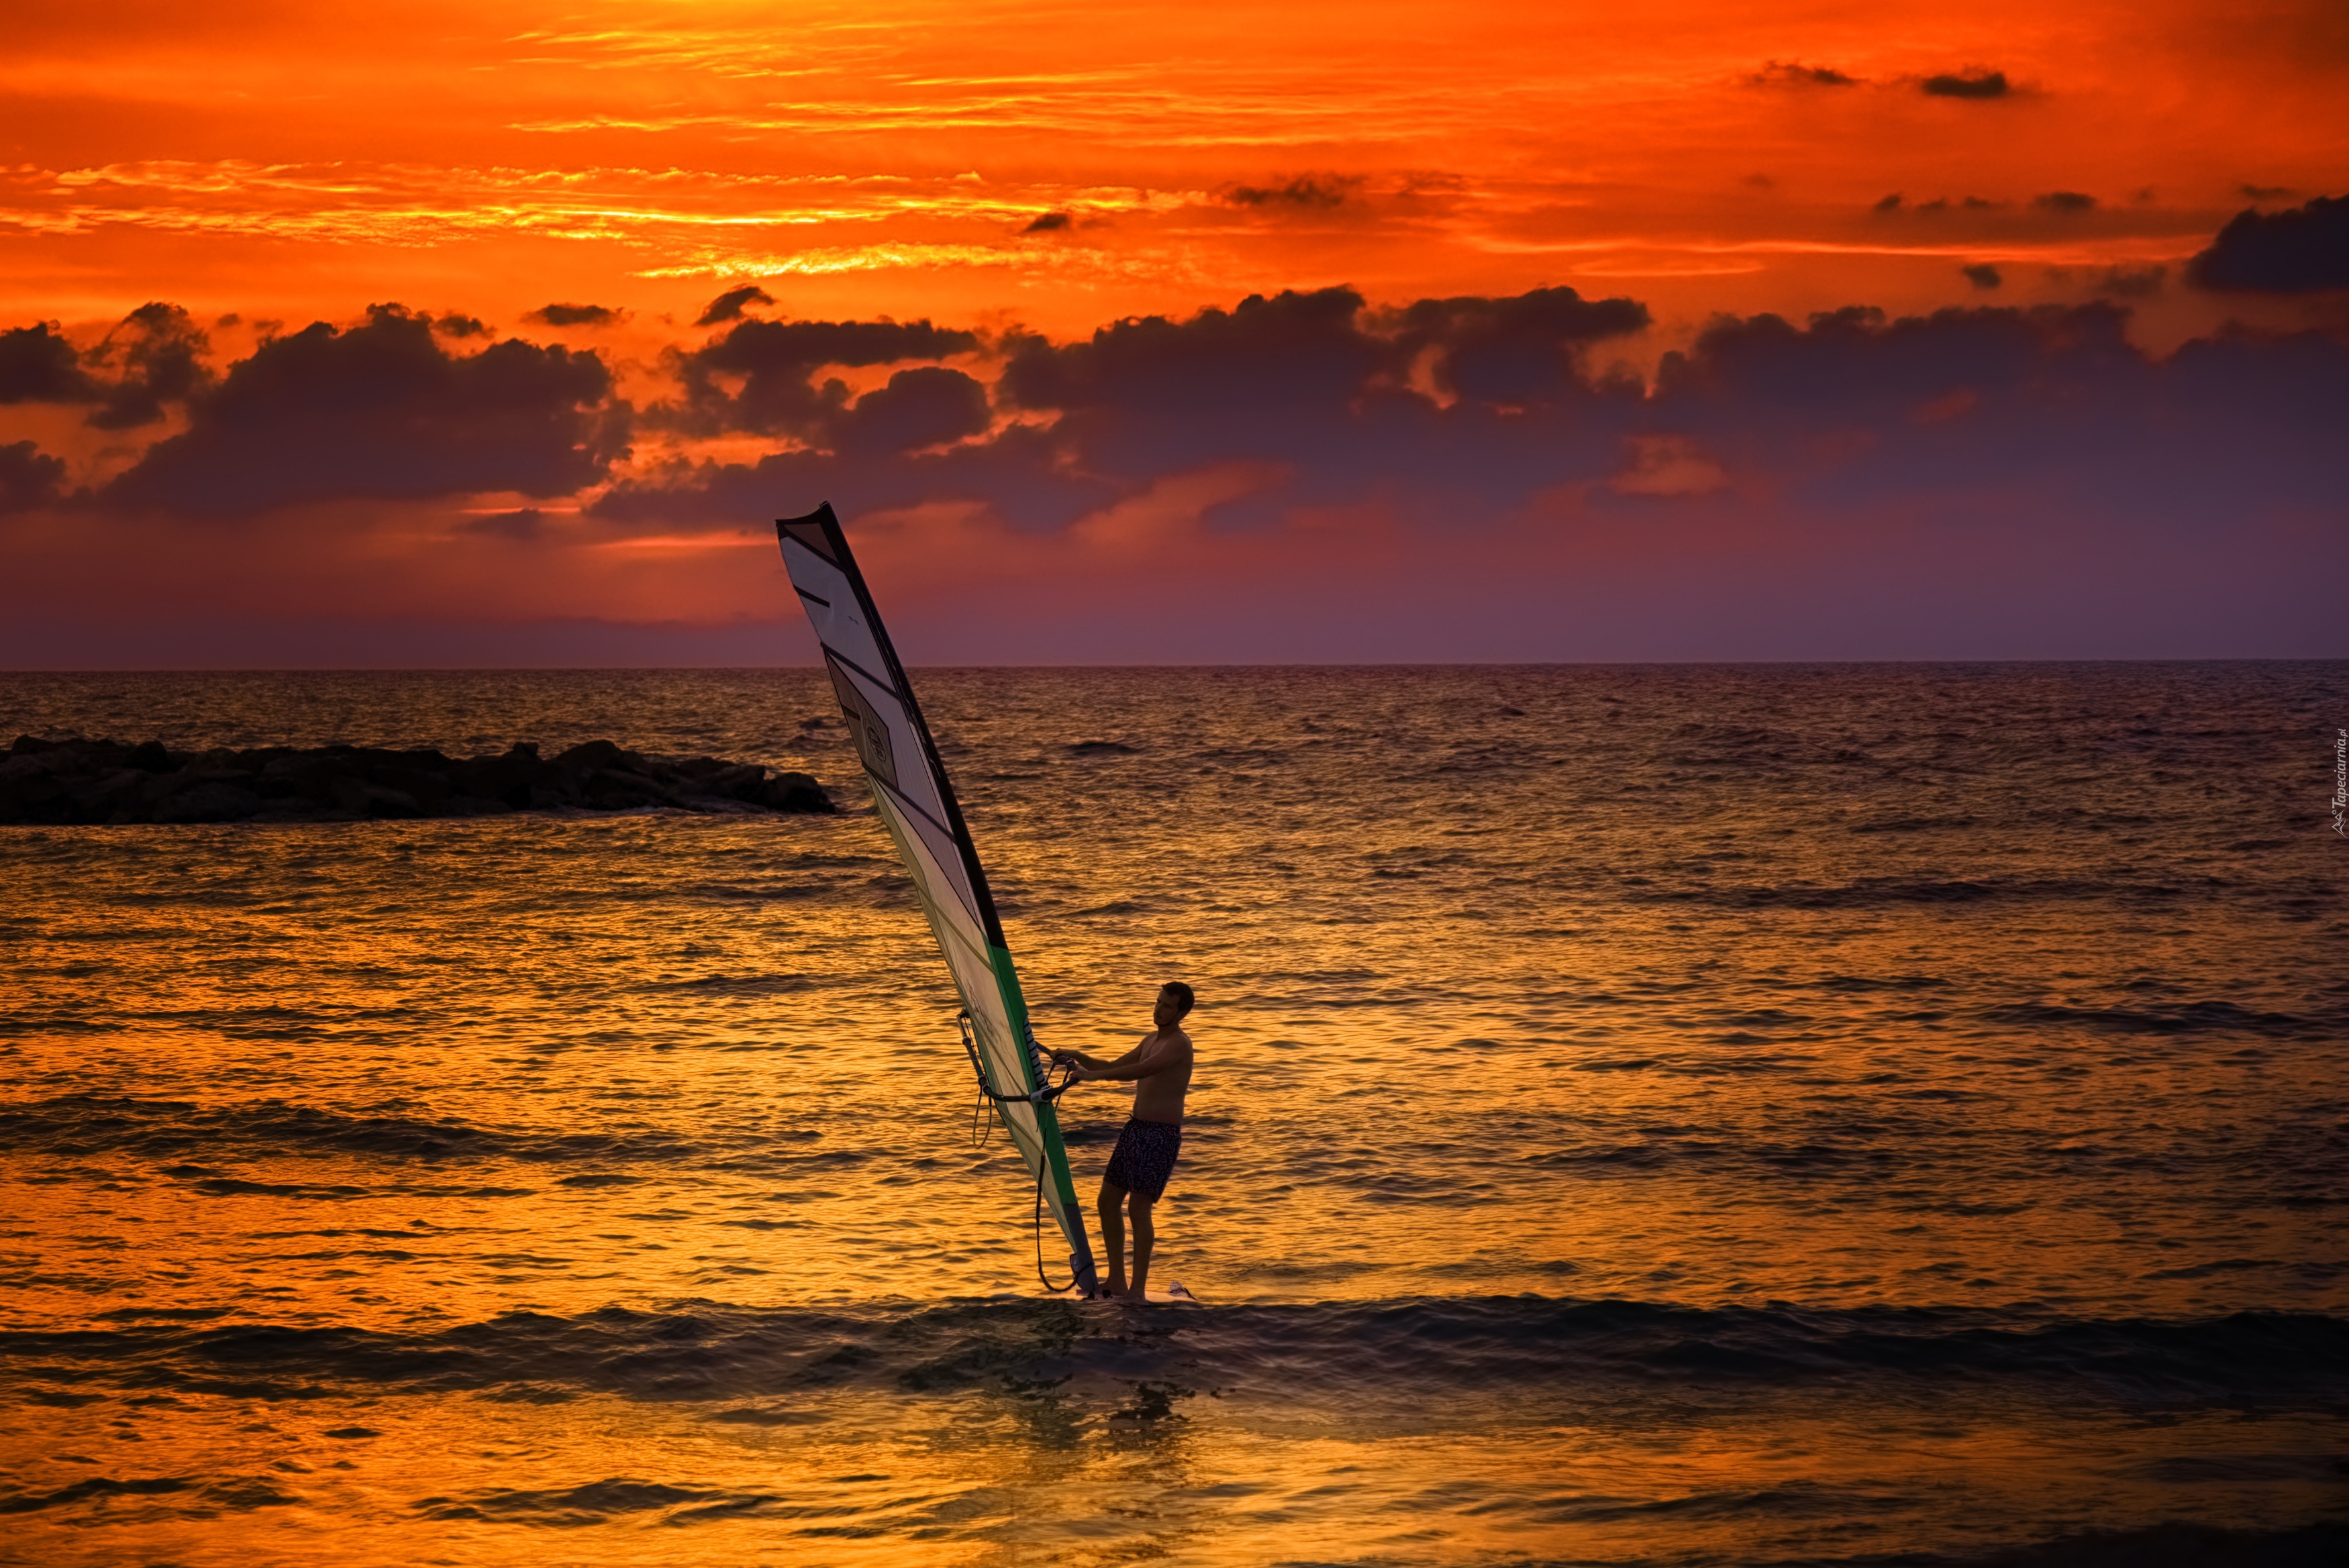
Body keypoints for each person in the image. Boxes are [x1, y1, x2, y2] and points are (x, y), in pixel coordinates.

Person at [1052, 981, 1195, 1300]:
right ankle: (1116, 1279)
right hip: (1136, 1130)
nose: (1159, 1009)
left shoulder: (1179, 1045)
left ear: (1182, 1012)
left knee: (1138, 1209)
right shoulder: (1151, 1039)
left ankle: (1137, 1291)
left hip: (1160, 1136)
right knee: (1107, 1201)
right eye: (1158, 1002)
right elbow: (1117, 1066)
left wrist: (1091, 1078)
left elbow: (1140, 1072)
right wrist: (1078, 1058)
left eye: (1167, 1006)